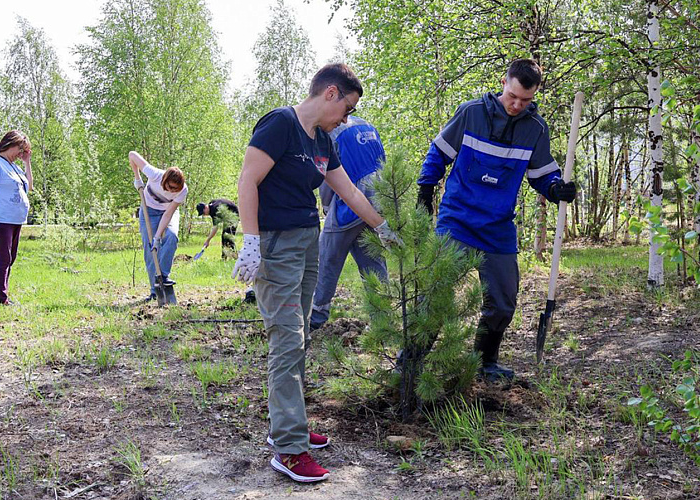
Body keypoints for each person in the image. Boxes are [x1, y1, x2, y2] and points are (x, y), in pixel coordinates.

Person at [231, 63, 399, 483]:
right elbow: (247, 180)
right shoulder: (280, 124)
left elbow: (349, 190)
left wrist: (382, 227)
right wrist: (250, 240)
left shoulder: (323, 139)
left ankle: (290, 424)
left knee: (300, 334)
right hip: (275, 243)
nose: (346, 117)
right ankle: (289, 449)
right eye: (347, 107)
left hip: (307, 241)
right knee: (287, 339)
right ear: (329, 93)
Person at [417, 59, 577, 382]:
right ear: (503, 82)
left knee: (503, 301)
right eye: (512, 96)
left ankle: (484, 363)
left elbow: (542, 175)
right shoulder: (471, 113)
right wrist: (425, 189)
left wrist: (558, 189)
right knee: (435, 295)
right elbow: (439, 153)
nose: (517, 105)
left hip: (498, 228)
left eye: (526, 100)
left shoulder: (536, 130)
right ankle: (411, 362)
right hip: (457, 221)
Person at [310, 116, 387, 330]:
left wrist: (326, 205)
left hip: (349, 204)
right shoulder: (368, 125)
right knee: (373, 260)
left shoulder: (329, 131)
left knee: (328, 259)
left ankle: (317, 314)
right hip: (376, 203)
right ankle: (382, 317)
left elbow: (327, 173)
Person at [0, 130, 33, 305]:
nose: (21, 153)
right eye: (20, 148)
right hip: (1, 219)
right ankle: (0, 298)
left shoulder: (14, 166)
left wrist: (27, 162)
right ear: (10, 144)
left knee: (11, 257)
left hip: (15, 219)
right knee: (3, 258)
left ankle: (3, 294)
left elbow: (29, 186)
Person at [130, 151, 188, 302]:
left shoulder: (183, 191)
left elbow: (168, 215)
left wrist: (157, 237)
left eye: (177, 188)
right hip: (148, 210)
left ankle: (163, 276)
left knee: (171, 237)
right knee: (150, 250)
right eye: (171, 187)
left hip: (167, 212)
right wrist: (138, 179)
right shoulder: (155, 174)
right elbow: (132, 155)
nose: (174, 191)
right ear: (164, 180)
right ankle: (154, 291)